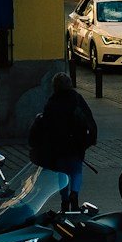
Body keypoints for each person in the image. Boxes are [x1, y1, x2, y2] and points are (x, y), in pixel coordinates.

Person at [29, 72, 98, 208]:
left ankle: (65, 199)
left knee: (62, 173)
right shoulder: (77, 99)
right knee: (76, 170)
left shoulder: (52, 102)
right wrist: (91, 139)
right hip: (76, 143)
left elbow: (46, 125)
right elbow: (89, 119)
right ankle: (75, 194)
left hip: (58, 145)